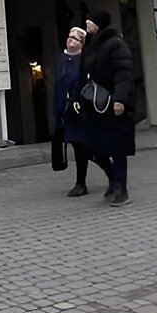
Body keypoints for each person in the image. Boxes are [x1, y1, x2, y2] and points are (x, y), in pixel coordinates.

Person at [78, 10, 136, 205]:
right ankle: (113, 178)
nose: (87, 23)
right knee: (93, 145)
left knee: (117, 146)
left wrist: (119, 99)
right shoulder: (92, 45)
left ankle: (121, 188)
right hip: (95, 104)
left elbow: (123, 73)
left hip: (111, 104)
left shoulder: (116, 44)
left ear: (98, 24)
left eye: (90, 20)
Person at [53, 26, 90, 196]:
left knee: (81, 146)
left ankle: (82, 183)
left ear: (82, 43)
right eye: (70, 36)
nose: (71, 40)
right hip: (64, 110)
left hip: (78, 109)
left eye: (75, 38)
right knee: (76, 145)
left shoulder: (83, 61)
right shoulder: (62, 59)